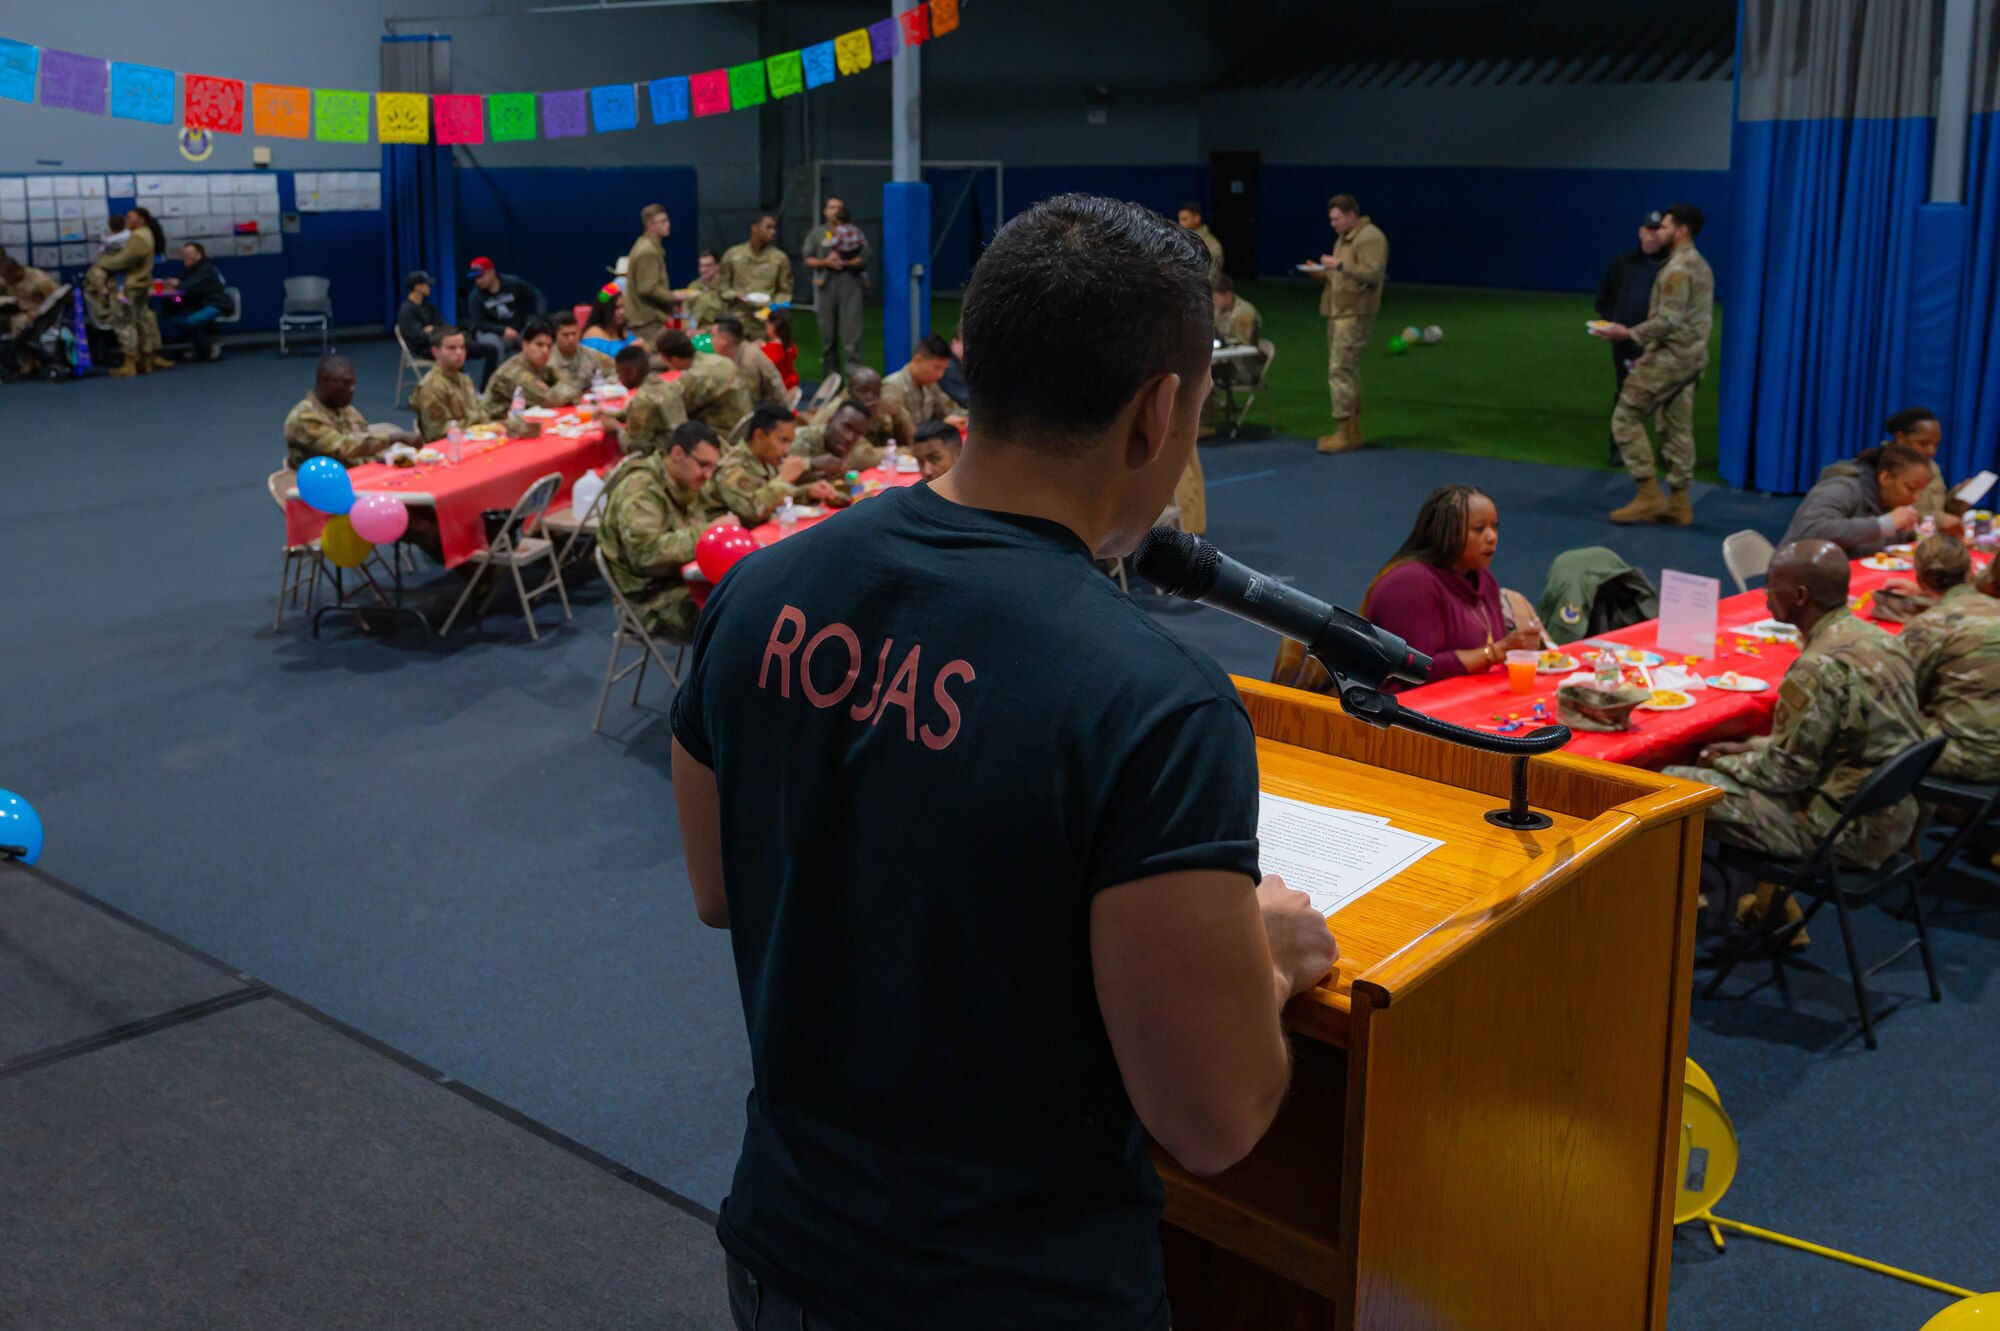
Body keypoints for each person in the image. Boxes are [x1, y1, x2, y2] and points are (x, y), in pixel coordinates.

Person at [668, 193, 1336, 1330]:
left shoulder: (762, 591)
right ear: (1157, 411)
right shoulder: (1155, 703)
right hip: (1017, 1291)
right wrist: (1266, 959)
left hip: (785, 1250)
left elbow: (720, 884)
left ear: (975, 367)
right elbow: (1213, 1119)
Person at [1665, 540, 1925, 932]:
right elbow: (1829, 744)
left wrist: (1720, 759)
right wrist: (1751, 747)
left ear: (1800, 596)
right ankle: (1770, 907)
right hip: (1892, 817)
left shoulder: (1817, 666)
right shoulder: (1883, 641)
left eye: (1772, 585)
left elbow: (1787, 774)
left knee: (1670, 784)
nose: (1766, 593)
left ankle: (1671, 923)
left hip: (1841, 832)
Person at [1278, 484, 1542, 694]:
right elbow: (1417, 670)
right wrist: (1497, 651)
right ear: (1446, 532)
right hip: (1399, 712)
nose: (1492, 536)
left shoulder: (1483, 580)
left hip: (1462, 698)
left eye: (1495, 526)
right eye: (1479, 528)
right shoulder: (1410, 584)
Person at [1597, 202, 1714, 525]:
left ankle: (1648, 494)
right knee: (1675, 427)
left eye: (1665, 226)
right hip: (1690, 359)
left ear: (1681, 230)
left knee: (1625, 416)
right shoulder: (1699, 264)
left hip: (1672, 358)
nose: (1659, 231)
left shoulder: (1677, 267)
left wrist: (1628, 333)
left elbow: (1668, 320)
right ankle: (1679, 503)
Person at [598, 420, 726, 643]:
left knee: (743, 598)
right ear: (677, 453)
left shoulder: (682, 481)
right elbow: (646, 554)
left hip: (677, 582)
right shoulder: (640, 487)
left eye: (712, 468)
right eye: (703, 464)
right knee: (736, 615)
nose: (708, 475)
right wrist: (709, 533)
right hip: (647, 601)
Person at [1897, 534, 2000, 781]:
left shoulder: (1928, 626)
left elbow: (1901, 696)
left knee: (1880, 718)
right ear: (1970, 572)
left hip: (1972, 759)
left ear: (1920, 579)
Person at [1307, 194, 1387, 454]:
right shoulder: (1346, 238)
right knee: (1346, 371)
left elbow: (1373, 274)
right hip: (1339, 310)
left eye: (1336, 218)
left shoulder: (1370, 237)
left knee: (1340, 370)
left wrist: (1339, 265)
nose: (1332, 223)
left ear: (1352, 214)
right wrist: (1322, 272)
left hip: (1354, 312)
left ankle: (1345, 432)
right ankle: (1351, 432)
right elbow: (1342, 277)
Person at [1819, 408, 1970, 536]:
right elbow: (1893, 519)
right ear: (1900, 438)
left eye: (1936, 444)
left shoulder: (1932, 467)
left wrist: (1960, 497)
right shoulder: (1864, 475)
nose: (1931, 451)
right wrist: (1935, 520)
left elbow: (1937, 513)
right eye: (1923, 443)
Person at [1593, 211, 1668, 467]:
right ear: (1640, 231)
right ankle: (1619, 450)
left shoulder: (1671, 266)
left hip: (1661, 345)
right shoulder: (1623, 263)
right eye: (1649, 229)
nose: (1653, 235)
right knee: (1625, 397)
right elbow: (1603, 299)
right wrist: (1614, 323)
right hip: (1625, 344)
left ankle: (1667, 453)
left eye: (1658, 230)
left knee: (1665, 399)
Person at [1780, 440, 1931, 557]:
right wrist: (1884, 525)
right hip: (1797, 577)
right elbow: (1811, 530)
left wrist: (1915, 531)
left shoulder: (1891, 501)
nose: (1916, 497)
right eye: (1911, 488)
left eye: (1921, 491)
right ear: (1885, 478)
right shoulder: (1842, 488)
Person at [708, 404, 840, 525]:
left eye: (790, 442)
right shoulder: (732, 466)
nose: (787, 450)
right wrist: (783, 479)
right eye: (783, 440)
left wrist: (808, 492)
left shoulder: (766, 460)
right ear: (759, 435)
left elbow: (776, 500)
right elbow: (752, 512)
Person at [283, 354, 416, 470]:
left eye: (353, 384)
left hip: (356, 476)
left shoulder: (345, 409)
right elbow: (345, 448)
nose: (352, 390)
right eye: (345, 383)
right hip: (324, 487)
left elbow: (364, 441)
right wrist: (394, 438)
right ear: (324, 381)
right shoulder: (304, 418)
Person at [92, 206, 170, 377]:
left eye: (131, 217)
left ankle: (130, 363)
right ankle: (147, 359)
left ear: (141, 219)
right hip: (139, 284)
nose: (128, 220)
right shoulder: (145, 234)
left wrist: (103, 263)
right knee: (142, 319)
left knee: (124, 322)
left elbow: (125, 260)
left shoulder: (139, 237)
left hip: (128, 286)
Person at [802, 196, 868, 377]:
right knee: (827, 336)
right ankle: (831, 383)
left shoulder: (854, 231)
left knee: (852, 337)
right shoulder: (817, 234)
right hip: (827, 286)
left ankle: (856, 381)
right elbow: (807, 259)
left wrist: (845, 263)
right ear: (825, 211)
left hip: (850, 284)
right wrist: (826, 262)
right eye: (831, 207)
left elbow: (865, 256)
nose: (835, 211)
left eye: (839, 207)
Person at [656, 328, 753, 436]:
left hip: (724, 434)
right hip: (744, 425)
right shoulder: (720, 360)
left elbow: (674, 407)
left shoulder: (696, 377)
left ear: (673, 360)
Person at [409, 325, 494, 443]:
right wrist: (478, 423)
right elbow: (439, 433)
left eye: (462, 347)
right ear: (435, 351)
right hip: (450, 449)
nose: (459, 352)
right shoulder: (432, 386)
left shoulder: (463, 379)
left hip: (472, 440)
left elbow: (478, 411)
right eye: (451, 348)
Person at [809, 364, 912, 458]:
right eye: (864, 391)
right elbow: (861, 457)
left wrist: (898, 413)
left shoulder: (878, 407)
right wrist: (905, 451)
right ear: (850, 391)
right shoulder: (839, 411)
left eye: (875, 391)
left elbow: (911, 438)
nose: (870, 397)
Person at [482, 317, 579, 413]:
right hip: (496, 423)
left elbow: (574, 386)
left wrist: (557, 390)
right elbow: (548, 401)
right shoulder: (513, 371)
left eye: (549, 346)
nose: (545, 351)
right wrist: (558, 390)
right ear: (525, 345)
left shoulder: (541, 365)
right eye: (539, 345)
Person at [1206, 273, 1264, 434]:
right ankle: (1205, 420)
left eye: (1216, 298)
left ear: (1228, 295)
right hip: (1227, 362)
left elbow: (1242, 345)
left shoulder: (1244, 312)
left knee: (1205, 376)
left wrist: (1221, 345)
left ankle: (1206, 424)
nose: (1214, 302)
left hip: (1244, 367)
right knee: (1201, 373)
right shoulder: (1219, 309)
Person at [463, 256, 539, 373]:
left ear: (491, 272)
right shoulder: (475, 297)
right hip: (492, 332)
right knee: (494, 346)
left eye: (481, 276)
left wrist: (541, 318)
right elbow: (480, 323)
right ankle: (500, 380)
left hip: (519, 328)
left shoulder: (513, 283)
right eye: (475, 278)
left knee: (537, 338)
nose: (478, 281)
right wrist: (503, 330)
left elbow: (537, 296)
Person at [157, 241, 229, 362]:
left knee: (189, 321)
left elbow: (187, 287)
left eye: (190, 253)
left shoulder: (206, 269)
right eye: (184, 254)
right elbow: (181, 295)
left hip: (216, 304)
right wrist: (175, 296)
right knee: (175, 317)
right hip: (199, 304)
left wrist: (177, 284)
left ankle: (206, 349)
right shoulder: (189, 270)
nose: (186, 256)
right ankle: (203, 346)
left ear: (199, 255)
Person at [881, 334, 967, 430]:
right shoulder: (892, 387)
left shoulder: (930, 386)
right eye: (936, 368)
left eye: (943, 369)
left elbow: (951, 410)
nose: (940, 375)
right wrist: (942, 425)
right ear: (918, 360)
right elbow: (901, 430)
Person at [718, 213, 794, 323]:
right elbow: (722, 286)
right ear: (755, 228)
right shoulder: (733, 255)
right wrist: (735, 295)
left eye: (774, 228)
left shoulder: (780, 258)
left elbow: (785, 291)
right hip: (737, 318)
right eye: (768, 227)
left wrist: (773, 308)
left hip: (767, 319)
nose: (773, 232)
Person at [624, 204, 677, 347]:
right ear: (650, 225)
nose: (668, 224)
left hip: (644, 319)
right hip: (648, 321)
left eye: (667, 220)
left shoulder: (644, 245)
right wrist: (674, 297)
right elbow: (647, 288)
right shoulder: (648, 251)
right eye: (662, 221)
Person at [710, 315, 788, 410]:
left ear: (724, 339)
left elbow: (747, 404)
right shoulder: (744, 350)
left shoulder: (747, 361)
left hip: (771, 415)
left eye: (713, 336)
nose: (711, 341)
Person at [789, 397, 880, 472]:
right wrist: (810, 463)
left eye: (858, 433)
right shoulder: (799, 440)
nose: (850, 437)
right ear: (830, 421)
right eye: (847, 427)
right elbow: (779, 486)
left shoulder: (844, 444)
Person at [550, 309, 615, 397]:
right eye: (566, 335)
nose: (571, 339)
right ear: (555, 336)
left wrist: (601, 388)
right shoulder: (546, 358)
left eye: (574, 334)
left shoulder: (591, 354)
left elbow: (614, 372)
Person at [582, 284, 641, 359]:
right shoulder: (593, 334)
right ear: (605, 310)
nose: (622, 312)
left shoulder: (623, 332)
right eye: (617, 308)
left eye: (623, 307)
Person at [676, 250, 729, 329]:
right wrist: (689, 329)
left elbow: (728, 317)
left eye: (708, 266)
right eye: (701, 266)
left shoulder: (726, 287)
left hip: (718, 332)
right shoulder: (694, 286)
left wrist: (706, 331)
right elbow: (686, 310)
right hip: (695, 332)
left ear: (717, 267)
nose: (704, 270)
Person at [395, 270, 441, 358]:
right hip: (424, 349)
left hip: (438, 342)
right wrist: (438, 336)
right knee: (453, 351)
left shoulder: (428, 306)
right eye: (426, 284)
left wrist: (434, 330)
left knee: (465, 347)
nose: (429, 287)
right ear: (417, 287)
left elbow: (440, 324)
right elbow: (416, 336)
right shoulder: (406, 310)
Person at [1177, 200, 1224, 281]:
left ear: (1196, 218)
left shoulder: (1211, 245)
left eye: (1184, 219)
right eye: (1179, 219)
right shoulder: (1179, 240)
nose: (1180, 223)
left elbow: (1211, 275)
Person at [758, 308, 800, 394]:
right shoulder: (789, 346)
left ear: (773, 328)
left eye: (767, 327)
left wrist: (758, 350)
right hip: (791, 386)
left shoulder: (771, 350)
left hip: (778, 390)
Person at [939, 321, 969, 407]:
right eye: (967, 344)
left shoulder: (961, 363)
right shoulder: (948, 367)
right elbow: (964, 399)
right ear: (955, 342)